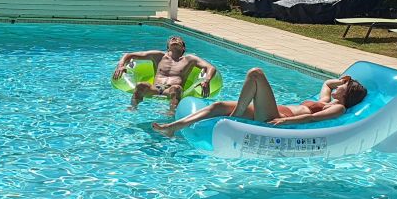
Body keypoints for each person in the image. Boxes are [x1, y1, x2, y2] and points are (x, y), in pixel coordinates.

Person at [151, 67, 367, 137]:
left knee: (256, 74)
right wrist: (343, 80)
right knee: (217, 106)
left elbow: (312, 119)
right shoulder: (326, 99)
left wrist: (286, 122)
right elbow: (327, 83)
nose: (339, 86)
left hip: (277, 117)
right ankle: (174, 127)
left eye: (344, 86)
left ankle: (237, 115)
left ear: (347, 94)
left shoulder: (338, 108)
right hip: (274, 111)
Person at [112, 35, 217, 112]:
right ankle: (133, 108)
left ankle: (171, 113)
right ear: (168, 47)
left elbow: (211, 67)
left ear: (183, 48)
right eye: (172, 39)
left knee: (176, 88)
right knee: (140, 85)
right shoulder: (158, 56)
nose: (174, 39)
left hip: (171, 90)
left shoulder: (189, 59)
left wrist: (206, 80)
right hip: (155, 88)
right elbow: (129, 55)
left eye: (178, 39)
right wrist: (121, 65)